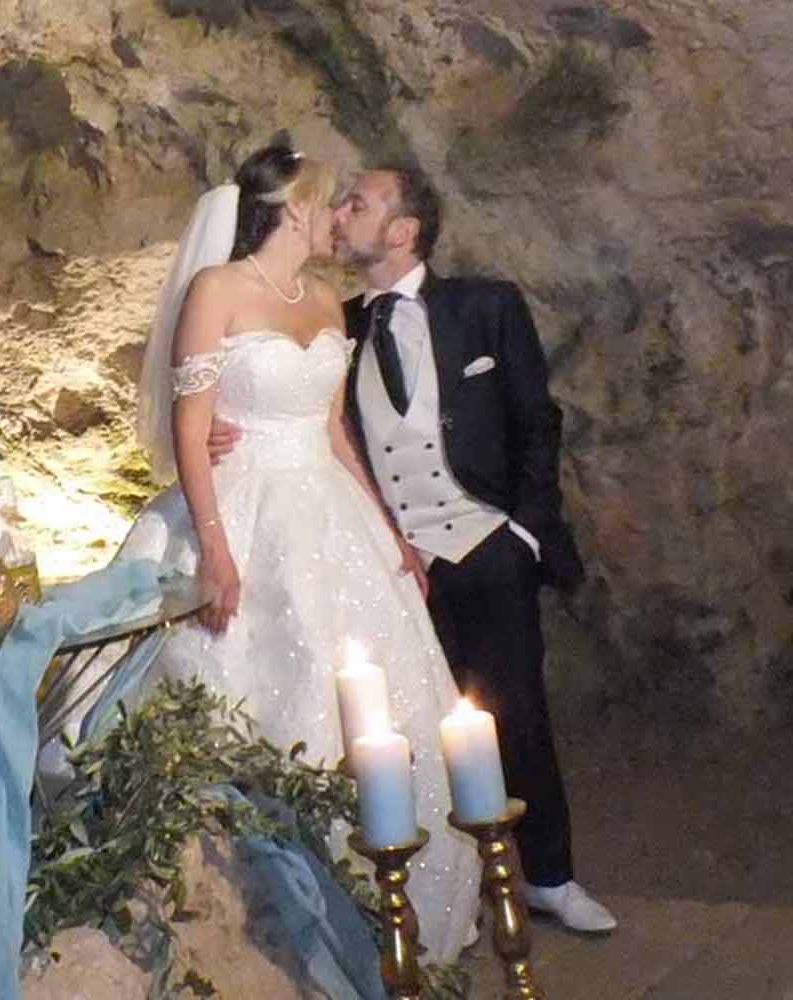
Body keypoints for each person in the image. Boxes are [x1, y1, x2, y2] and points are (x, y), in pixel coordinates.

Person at [211, 165, 616, 933]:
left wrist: (522, 534)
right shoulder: (337, 321)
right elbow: (293, 414)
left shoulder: (486, 306)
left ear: (403, 230)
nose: (339, 214)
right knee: (406, 724)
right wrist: (216, 430)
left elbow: (537, 422)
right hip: (391, 559)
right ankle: (437, 889)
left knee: (515, 712)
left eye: (357, 203)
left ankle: (550, 878)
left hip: (485, 544)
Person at [118, 142, 481, 964]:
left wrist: (388, 529)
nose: (340, 219)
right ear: (292, 209)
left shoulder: (324, 299)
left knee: (378, 693)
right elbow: (190, 429)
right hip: (244, 502)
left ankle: (387, 906)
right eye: (330, 203)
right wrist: (216, 552)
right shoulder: (217, 290)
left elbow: (335, 428)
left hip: (328, 506)